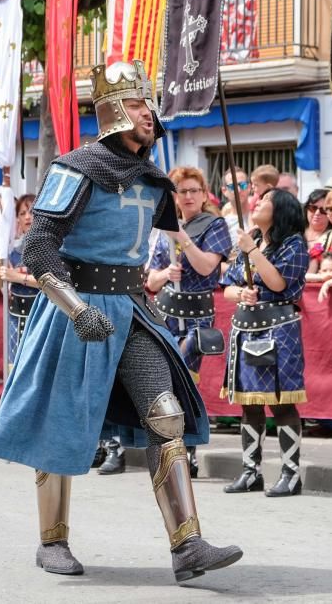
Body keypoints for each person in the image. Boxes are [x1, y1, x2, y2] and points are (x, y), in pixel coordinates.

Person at [0, 60, 242, 582]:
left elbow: (172, 243)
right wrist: (75, 308)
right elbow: (38, 247)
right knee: (61, 420)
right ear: (115, 111)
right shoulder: (77, 167)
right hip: (75, 310)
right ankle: (51, 540)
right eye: (140, 104)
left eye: (150, 103)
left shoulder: (153, 178)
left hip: (134, 312)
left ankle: (187, 545)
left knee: (165, 413)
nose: (150, 113)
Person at [221, 188, 310, 497]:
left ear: (281, 210)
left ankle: (291, 473)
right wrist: (241, 293)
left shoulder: (294, 244)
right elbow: (228, 287)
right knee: (249, 403)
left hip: (279, 329)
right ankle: (250, 471)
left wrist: (252, 251)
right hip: (246, 327)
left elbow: (278, 283)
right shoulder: (254, 241)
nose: (256, 204)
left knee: (281, 402)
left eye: (264, 201)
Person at [147, 166, 233, 478]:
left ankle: (189, 449)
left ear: (203, 193)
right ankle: (170, 447)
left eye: (193, 190)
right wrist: (165, 274)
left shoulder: (214, 225)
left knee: (184, 377)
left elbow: (207, 265)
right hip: (166, 310)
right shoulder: (161, 230)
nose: (188, 196)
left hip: (197, 314)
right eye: (182, 191)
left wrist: (182, 237)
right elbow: (152, 281)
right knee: (164, 382)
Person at [0, 194, 38, 367]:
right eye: (22, 213)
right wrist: (0, 249)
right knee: (15, 371)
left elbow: (52, 281)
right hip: (16, 319)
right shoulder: (11, 249)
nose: (28, 217)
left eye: (32, 211)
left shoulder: (54, 245)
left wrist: (18, 277)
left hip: (41, 317)